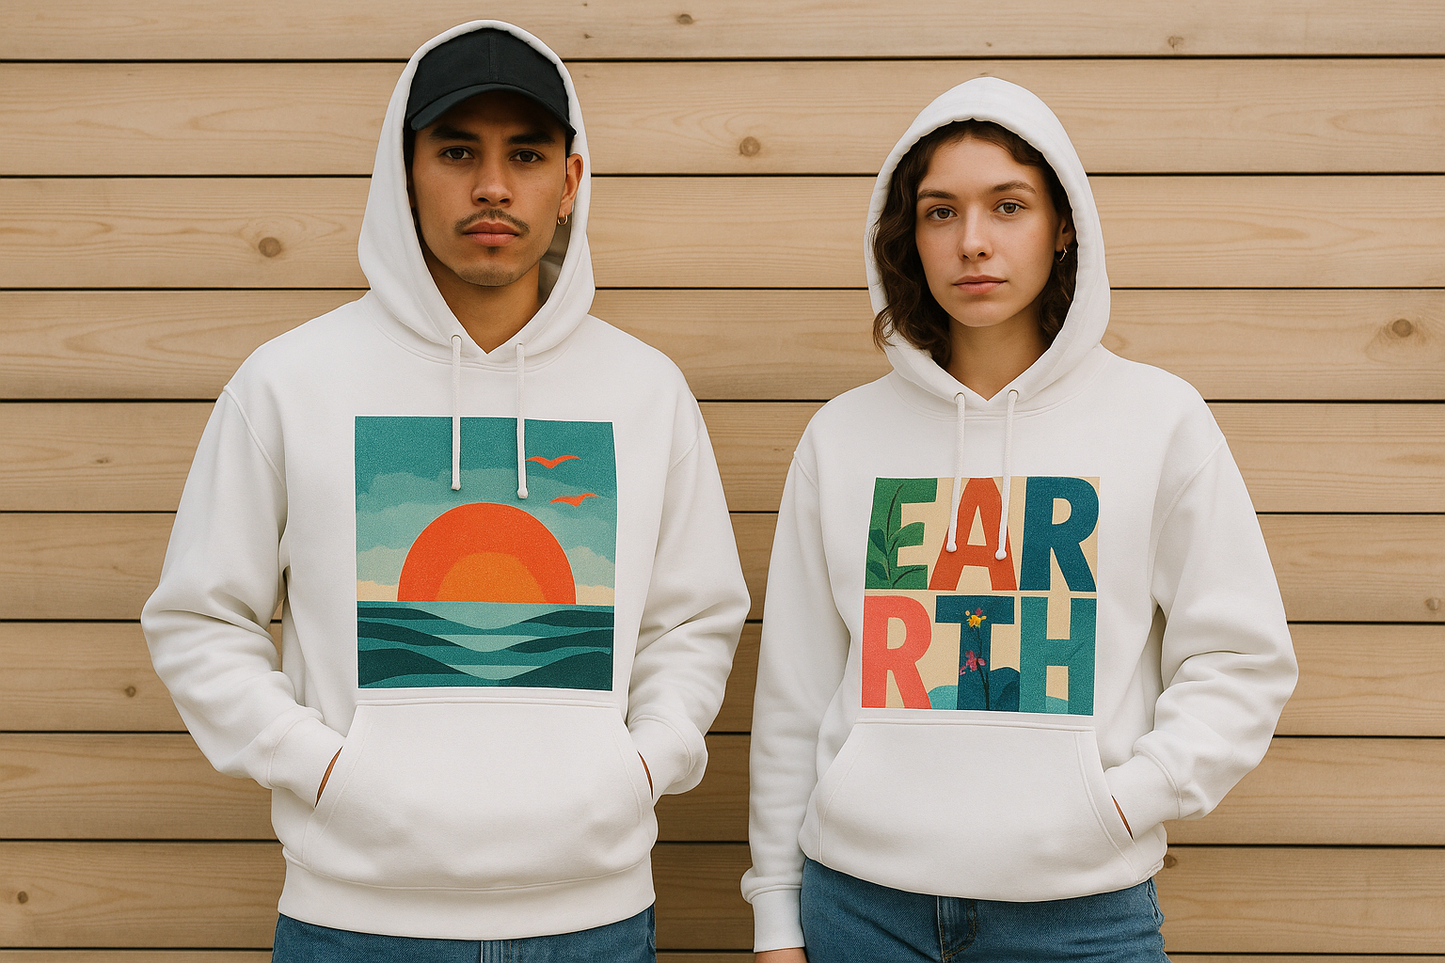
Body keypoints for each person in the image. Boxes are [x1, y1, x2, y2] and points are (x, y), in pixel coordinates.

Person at [143, 20, 748, 962]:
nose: (494, 186)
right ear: (403, 171)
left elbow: (695, 618)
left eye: (527, 153)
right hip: (357, 921)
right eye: (458, 151)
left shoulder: (644, 392)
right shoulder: (289, 382)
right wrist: (326, 770)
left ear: (570, 183)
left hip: (590, 920)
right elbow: (197, 617)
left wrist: (640, 763)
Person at [742, 77, 1296, 961]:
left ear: (1062, 223)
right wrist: (776, 913)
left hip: (1078, 917)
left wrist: (1125, 799)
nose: (972, 242)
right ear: (905, 235)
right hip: (859, 911)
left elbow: (1241, 657)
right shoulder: (843, 435)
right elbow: (794, 695)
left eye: (1008, 206)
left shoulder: (1157, 419)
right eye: (938, 212)